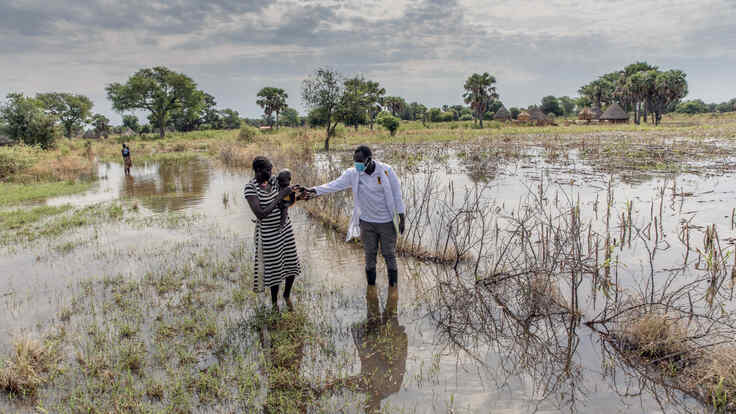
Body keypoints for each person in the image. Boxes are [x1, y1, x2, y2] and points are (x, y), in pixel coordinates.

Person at [303, 145, 405, 288]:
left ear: (369, 160)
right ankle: (371, 289)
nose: (356, 164)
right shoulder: (353, 173)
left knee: (389, 255)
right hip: (366, 222)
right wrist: (314, 191)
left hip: (386, 222)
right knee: (369, 256)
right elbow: (334, 185)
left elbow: (397, 194)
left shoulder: (386, 171)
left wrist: (402, 218)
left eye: (359, 161)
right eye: (355, 161)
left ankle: (393, 290)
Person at [244, 156, 301, 311]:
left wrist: (296, 192)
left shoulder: (274, 181)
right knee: (275, 269)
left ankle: (287, 295)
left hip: (285, 229)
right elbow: (260, 214)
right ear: (258, 171)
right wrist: (280, 196)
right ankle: (275, 302)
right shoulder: (251, 188)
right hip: (269, 234)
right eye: (267, 170)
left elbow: (287, 187)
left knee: (291, 262)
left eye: (271, 169)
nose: (271, 173)